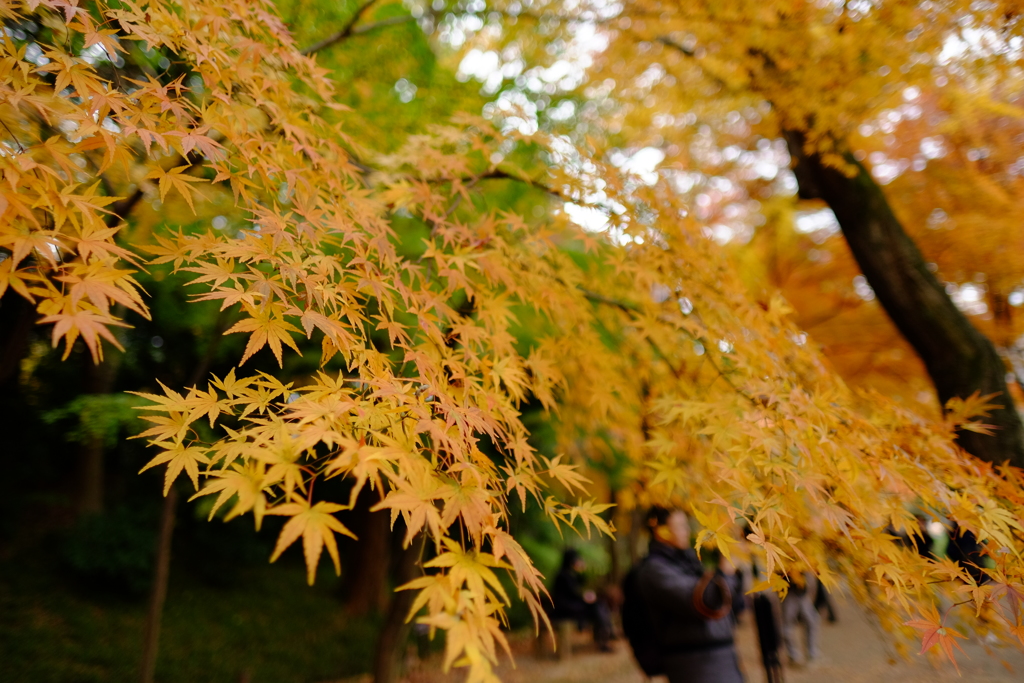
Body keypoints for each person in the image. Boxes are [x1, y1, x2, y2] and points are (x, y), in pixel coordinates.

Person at [635, 506, 746, 683]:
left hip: (721, 657)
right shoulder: (654, 570)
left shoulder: (689, 563)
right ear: (660, 531)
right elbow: (702, 602)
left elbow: (733, 605)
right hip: (694, 664)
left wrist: (734, 576)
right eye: (680, 526)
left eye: (686, 525)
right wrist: (725, 572)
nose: (687, 531)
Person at [549, 548, 614, 651]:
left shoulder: (568, 574)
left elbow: (578, 586)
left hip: (570, 606)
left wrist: (581, 572)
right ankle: (604, 636)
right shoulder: (563, 575)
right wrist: (585, 598)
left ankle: (606, 632)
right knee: (597, 607)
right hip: (565, 609)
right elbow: (573, 593)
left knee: (598, 605)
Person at [781, 572, 821, 666]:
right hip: (789, 592)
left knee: (812, 621)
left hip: (803, 593)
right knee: (787, 626)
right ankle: (793, 656)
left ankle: (812, 653)